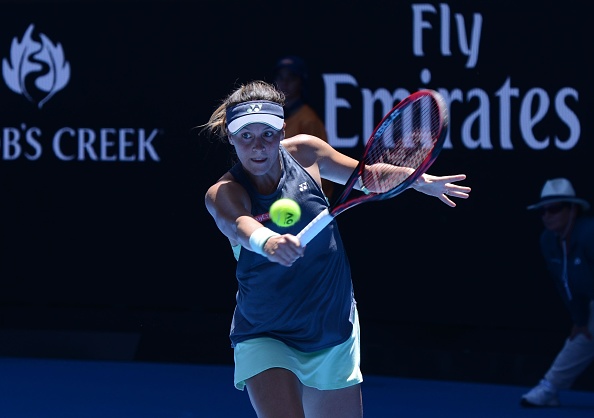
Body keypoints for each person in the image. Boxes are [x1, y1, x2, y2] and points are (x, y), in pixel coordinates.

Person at [202, 80, 471, 418]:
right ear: (230, 135)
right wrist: (268, 241)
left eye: (268, 134)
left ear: (282, 131)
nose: (258, 146)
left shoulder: (307, 152)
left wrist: (415, 178)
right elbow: (239, 224)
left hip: (332, 324)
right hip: (266, 332)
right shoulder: (224, 192)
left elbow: (367, 175)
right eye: (246, 136)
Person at [521, 177, 594, 408]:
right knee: (582, 335)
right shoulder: (548, 241)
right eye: (543, 211)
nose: (547, 216)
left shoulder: (590, 234)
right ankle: (550, 388)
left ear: (572, 209)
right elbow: (565, 284)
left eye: (554, 209)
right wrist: (580, 319)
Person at [272, 55, 335, 200]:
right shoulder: (276, 118)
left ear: (301, 82)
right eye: (280, 77)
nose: (285, 82)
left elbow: (323, 166)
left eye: (291, 77)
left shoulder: (309, 120)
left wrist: (318, 199)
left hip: (306, 200)